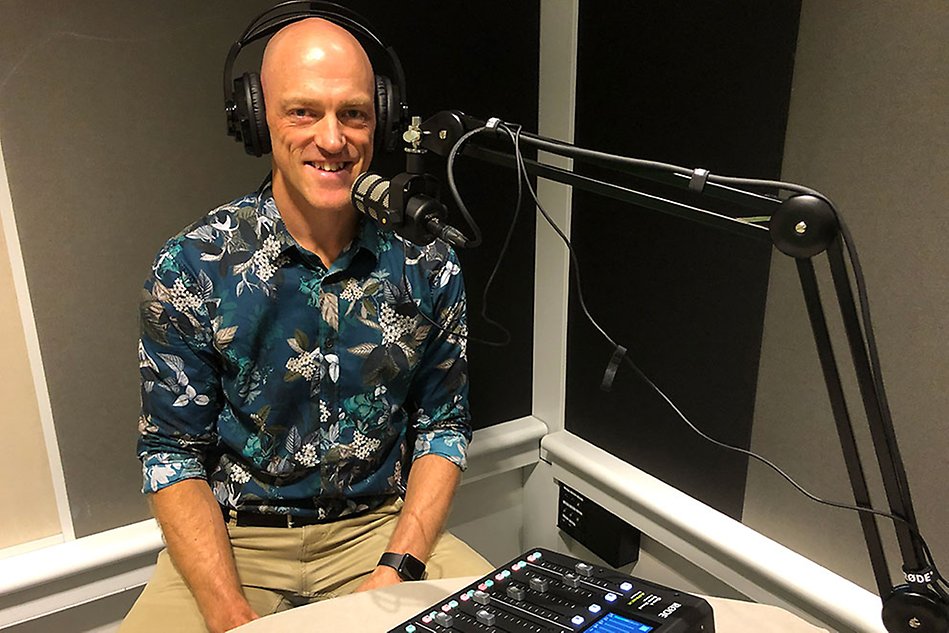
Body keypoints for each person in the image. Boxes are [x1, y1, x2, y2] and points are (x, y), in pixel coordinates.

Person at [121, 17, 492, 633]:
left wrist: (395, 571)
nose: (333, 139)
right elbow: (170, 454)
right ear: (257, 118)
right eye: (302, 113)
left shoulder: (428, 259)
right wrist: (230, 616)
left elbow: (443, 427)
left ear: (382, 119)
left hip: (380, 532)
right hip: (238, 544)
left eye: (353, 115)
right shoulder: (192, 264)